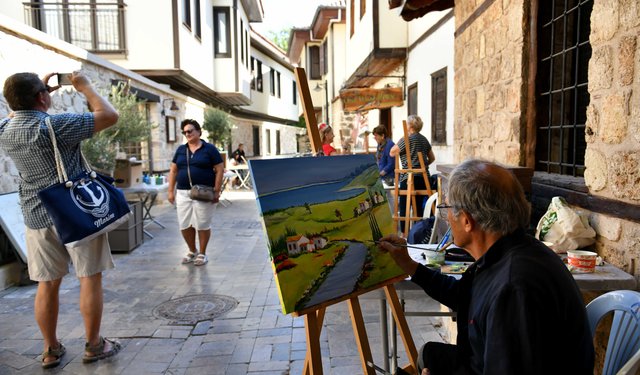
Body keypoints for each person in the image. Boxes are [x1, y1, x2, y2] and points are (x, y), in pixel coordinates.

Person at [379, 159, 594, 375]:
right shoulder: (514, 251)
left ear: (466, 221)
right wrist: (409, 265)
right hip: (489, 360)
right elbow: (465, 296)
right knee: (430, 355)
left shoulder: (512, 289)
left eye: (446, 209)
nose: (446, 218)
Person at [0, 71, 121, 368]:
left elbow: (18, 112)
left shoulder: (4, 129)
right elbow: (109, 115)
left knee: (46, 283)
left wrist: (35, 94)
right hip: (75, 213)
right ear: (42, 97)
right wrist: (85, 87)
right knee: (89, 278)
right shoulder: (57, 125)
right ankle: (94, 345)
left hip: (36, 215)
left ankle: (50, 349)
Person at [168, 119, 223, 266]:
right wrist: (170, 191)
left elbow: (219, 170)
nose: (187, 134)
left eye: (190, 131)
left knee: (202, 223)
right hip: (183, 192)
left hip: (203, 192)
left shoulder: (209, 149)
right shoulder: (181, 150)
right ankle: (192, 250)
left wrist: (217, 191)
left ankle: (202, 253)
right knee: (185, 224)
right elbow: (173, 171)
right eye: (185, 132)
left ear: (199, 131)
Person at [390, 115, 435, 232]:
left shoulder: (407, 139)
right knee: (418, 208)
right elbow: (432, 158)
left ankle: (404, 233)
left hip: (409, 177)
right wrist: (422, 167)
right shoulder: (424, 139)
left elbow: (392, 152)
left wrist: (400, 141)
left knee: (404, 207)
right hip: (423, 178)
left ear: (409, 126)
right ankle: (417, 232)